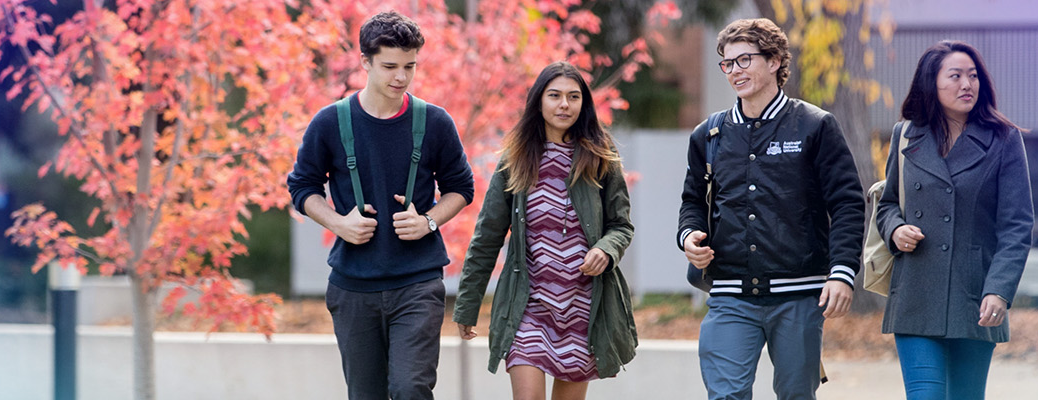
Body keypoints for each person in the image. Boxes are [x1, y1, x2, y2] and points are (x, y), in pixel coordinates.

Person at [284, 11, 476, 400]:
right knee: (365, 394)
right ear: (365, 62)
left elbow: (461, 188)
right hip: (353, 286)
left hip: (418, 282)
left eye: (410, 66)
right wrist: (339, 223)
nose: (401, 77)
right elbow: (302, 187)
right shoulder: (329, 123)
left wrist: (429, 221)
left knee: (410, 388)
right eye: (390, 66)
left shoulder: (436, 122)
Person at [678, 18, 864, 400]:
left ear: (775, 60)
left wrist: (842, 272)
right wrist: (688, 236)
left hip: (799, 293)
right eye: (727, 63)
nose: (734, 71)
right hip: (729, 293)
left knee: (796, 394)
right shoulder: (708, 135)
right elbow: (692, 201)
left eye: (744, 60)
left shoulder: (815, 126)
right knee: (726, 395)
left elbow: (846, 202)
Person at [452, 61, 638, 400]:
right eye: (554, 96)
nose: (564, 104)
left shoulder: (600, 156)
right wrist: (467, 305)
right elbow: (487, 237)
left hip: (583, 307)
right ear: (539, 101)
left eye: (573, 96)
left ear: (584, 103)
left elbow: (621, 226)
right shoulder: (516, 160)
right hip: (529, 305)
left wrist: (606, 250)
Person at [875, 40, 1033, 400]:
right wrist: (895, 230)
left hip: (974, 297)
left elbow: (1016, 227)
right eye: (956, 75)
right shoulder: (905, 135)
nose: (967, 84)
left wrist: (999, 290)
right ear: (932, 83)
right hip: (916, 294)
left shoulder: (1003, 139)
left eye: (973, 76)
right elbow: (886, 204)